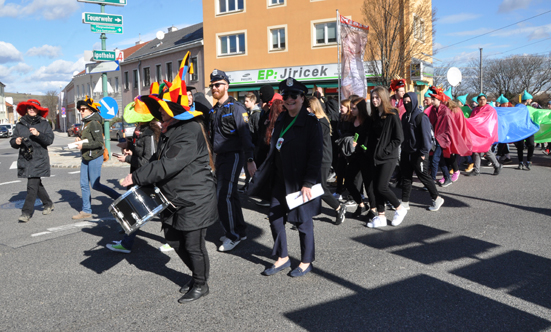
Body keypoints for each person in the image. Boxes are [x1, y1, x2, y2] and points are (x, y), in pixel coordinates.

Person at [120, 83, 218, 303]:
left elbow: (169, 164)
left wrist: (135, 177)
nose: (160, 113)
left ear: (174, 110)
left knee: (194, 245)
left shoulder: (189, 130)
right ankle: (196, 276)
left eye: (164, 109)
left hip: (195, 198)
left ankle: (201, 284)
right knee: (173, 239)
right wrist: (137, 172)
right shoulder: (171, 129)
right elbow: (158, 161)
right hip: (175, 197)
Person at [248, 78, 322, 278]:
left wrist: (308, 182)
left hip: (299, 182)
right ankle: (282, 256)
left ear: (301, 97)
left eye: (294, 96)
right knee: (274, 216)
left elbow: (316, 155)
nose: (289, 100)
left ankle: (306, 261)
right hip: (280, 178)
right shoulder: (281, 119)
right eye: (286, 95)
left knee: (303, 222)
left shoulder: (310, 123)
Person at [208, 69, 257, 252]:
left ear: (226, 86)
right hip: (220, 157)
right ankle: (240, 230)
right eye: (212, 85)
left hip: (234, 155)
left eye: (218, 84)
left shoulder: (236, 108)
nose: (215, 88)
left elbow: (245, 134)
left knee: (224, 196)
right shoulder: (215, 110)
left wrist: (250, 159)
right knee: (232, 195)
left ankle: (232, 235)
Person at [107, 100, 162, 254]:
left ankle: (127, 243)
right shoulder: (144, 131)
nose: (136, 124)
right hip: (139, 175)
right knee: (137, 212)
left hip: (144, 177)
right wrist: (129, 146)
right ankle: (127, 239)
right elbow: (142, 153)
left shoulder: (150, 133)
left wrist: (127, 158)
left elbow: (148, 161)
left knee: (136, 212)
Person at [72, 96, 120, 220]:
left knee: (95, 184)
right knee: (83, 184)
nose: (81, 112)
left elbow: (99, 143)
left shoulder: (94, 123)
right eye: (80, 109)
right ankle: (86, 210)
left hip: (95, 156)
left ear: (91, 110)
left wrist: (83, 145)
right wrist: (79, 140)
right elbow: (88, 139)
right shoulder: (86, 123)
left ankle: (119, 198)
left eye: (83, 109)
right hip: (86, 156)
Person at [366, 86, 406, 228]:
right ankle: (381, 217)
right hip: (376, 157)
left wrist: (385, 151)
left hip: (388, 157)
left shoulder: (393, 114)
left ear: (383, 98)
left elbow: (398, 138)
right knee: (376, 188)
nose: (375, 100)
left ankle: (400, 209)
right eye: (373, 98)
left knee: (382, 187)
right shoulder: (375, 115)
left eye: (377, 97)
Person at [10, 99, 55, 223]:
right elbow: (13, 141)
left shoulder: (44, 124)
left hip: (39, 158)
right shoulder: (20, 125)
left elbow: (49, 140)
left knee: (31, 185)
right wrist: (16, 142)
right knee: (36, 184)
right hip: (25, 158)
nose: (31, 109)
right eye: (29, 107)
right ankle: (48, 203)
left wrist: (38, 134)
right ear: (26, 109)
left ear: (38, 110)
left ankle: (26, 212)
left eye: (34, 107)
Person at [400, 93, 444, 211]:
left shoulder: (421, 117)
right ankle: (405, 202)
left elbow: (426, 137)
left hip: (418, 153)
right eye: (404, 101)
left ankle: (437, 198)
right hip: (406, 152)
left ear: (414, 101)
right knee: (406, 177)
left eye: (408, 101)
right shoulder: (404, 116)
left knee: (423, 176)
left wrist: (423, 153)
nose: (406, 103)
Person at [307, 96, 346, 225]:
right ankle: (306, 216)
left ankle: (339, 208)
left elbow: (316, 143)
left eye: (307, 108)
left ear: (313, 108)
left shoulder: (320, 121)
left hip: (323, 159)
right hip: (318, 158)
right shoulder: (316, 120)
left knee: (321, 188)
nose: (305, 110)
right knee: (310, 186)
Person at [343, 97, 377, 221]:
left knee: (369, 184)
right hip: (354, 156)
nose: (351, 110)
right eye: (351, 107)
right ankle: (361, 204)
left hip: (366, 156)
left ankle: (373, 209)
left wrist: (359, 145)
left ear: (361, 108)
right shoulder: (352, 120)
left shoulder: (368, 121)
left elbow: (369, 140)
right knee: (348, 181)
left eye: (354, 108)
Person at [467, 94, 502, 176]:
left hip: (486, 134)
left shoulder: (490, 110)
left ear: (486, 101)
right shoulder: (475, 110)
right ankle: (476, 170)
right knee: (476, 151)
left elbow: (492, 122)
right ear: (477, 101)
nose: (482, 101)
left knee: (487, 151)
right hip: (477, 134)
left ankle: (497, 166)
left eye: (483, 99)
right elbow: (472, 121)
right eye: (480, 99)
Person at [238, 92, 262, 193]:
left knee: (252, 167)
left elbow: (256, 131)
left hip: (253, 145)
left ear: (253, 101)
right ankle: (247, 185)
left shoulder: (256, 115)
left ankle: (251, 186)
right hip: (249, 144)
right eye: (245, 101)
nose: (245, 103)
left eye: (247, 101)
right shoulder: (249, 113)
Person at [515, 90, 535, 170]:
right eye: (530, 99)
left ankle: (528, 161)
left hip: (529, 129)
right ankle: (520, 162)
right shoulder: (518, 107)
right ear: (527, 100)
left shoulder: (530, 108)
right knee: (520, 146)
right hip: (521, 129)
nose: (531, 101)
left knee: (531, 145)